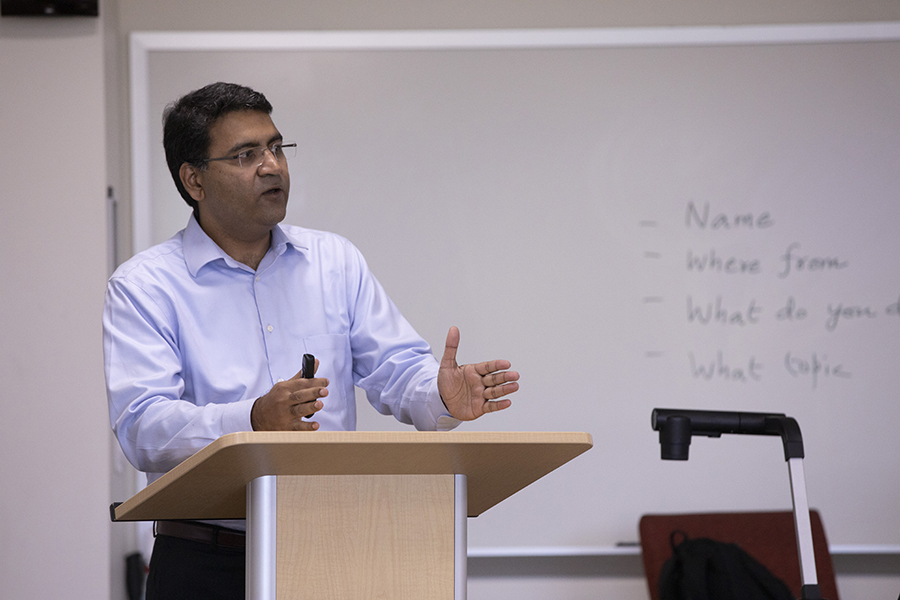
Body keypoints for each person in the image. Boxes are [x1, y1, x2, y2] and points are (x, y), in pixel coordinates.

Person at [103, 82, 520, 600]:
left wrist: (439, 394)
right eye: (245, 155)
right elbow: (143, 427)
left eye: (276, 147)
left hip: (333, 546)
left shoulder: (334, 262)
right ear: (195, 180)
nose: (272, 166)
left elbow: (395, 368)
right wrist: (252, 420)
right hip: (205, 563)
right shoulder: (145, 286)